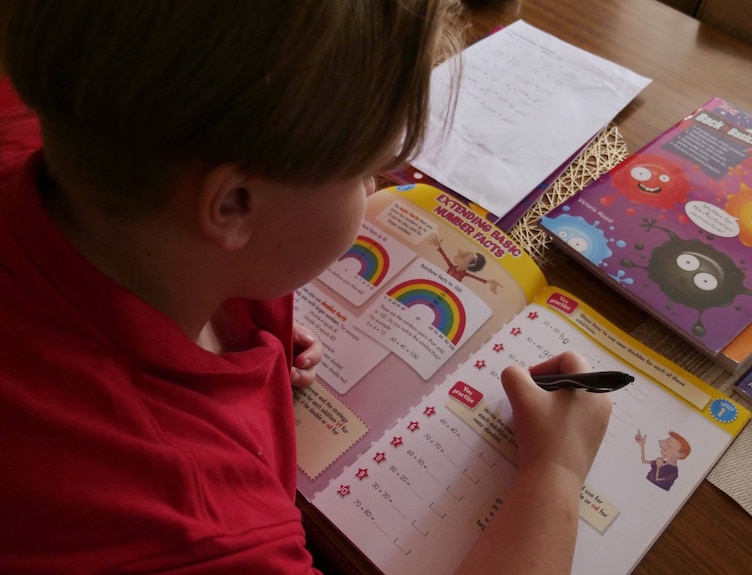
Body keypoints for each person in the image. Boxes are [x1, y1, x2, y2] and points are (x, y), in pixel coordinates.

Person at [0, 2, 611, 574]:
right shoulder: (200, 529)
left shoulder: (61, 126)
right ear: (234, 204)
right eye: (362, 171)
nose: (374, 192)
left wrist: (238, 325)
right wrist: (556, 470)